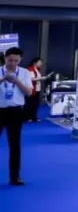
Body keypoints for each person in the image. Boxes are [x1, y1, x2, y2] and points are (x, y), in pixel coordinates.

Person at [0, 47, 34, 186]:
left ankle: (15, 177)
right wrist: (3, 79)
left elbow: (29, 92)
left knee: (15, 145)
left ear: (20, 60)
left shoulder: (25, 73)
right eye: (10, 60)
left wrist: (17, 82)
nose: (13, 63)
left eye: (16, 60)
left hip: (16, 111)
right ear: (5, 58)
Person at [24, 57, 45, 123]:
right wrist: (42, 78)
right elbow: (31, 79)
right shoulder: (30, 69)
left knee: (35, 104)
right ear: (35, 63)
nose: (41, 63)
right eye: (40, 62)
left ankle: (34, 116)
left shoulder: (37, 69)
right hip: (32, 89)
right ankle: (28, 117)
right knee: (30, 104)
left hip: (37, 89)